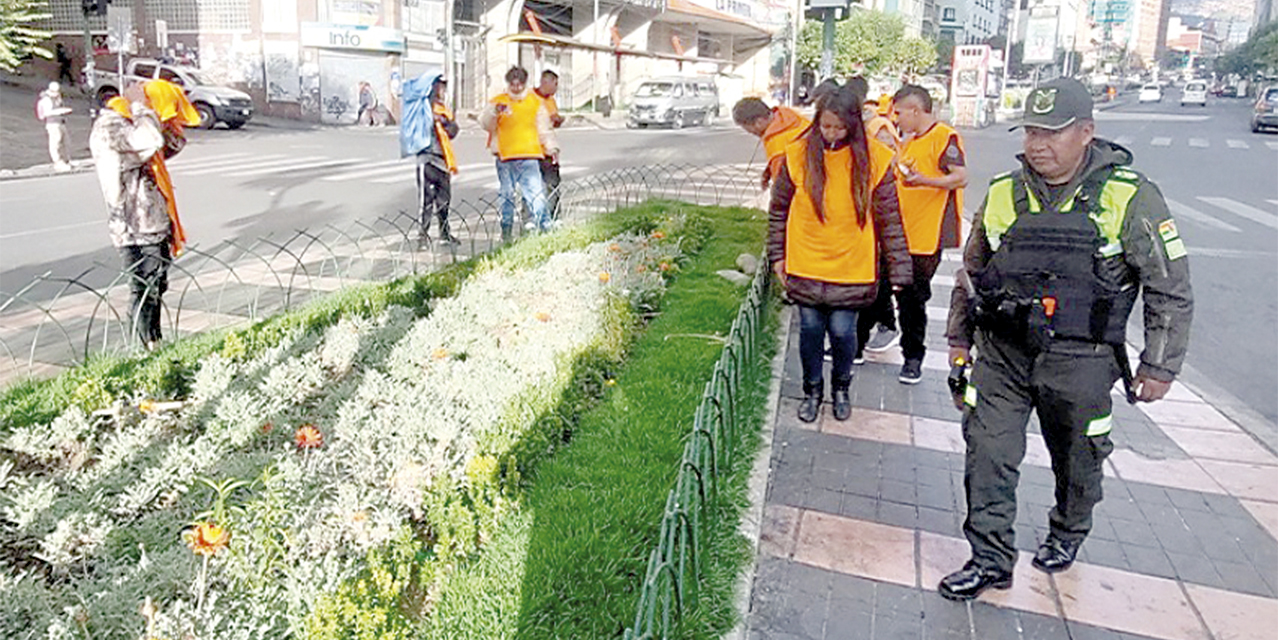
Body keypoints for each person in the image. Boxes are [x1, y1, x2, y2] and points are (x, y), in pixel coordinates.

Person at [937, 78, 1193, 601]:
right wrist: (958, 339)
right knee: (986, 451)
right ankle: (989, 558)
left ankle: (1067, 531)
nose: (1038, 144)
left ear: (1086, 133)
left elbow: (1169, 284)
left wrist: (1159, 365)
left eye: (1052, 132)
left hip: (1082, 359)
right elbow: (973, 271)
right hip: (1003, 354)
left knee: (1079, 458)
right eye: (1032, 131)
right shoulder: (1005, 191)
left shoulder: (1131, 195)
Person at [767, 83, 913, 423]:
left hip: (852, 264)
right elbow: (778, 211)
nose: (831, 133)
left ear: (853, 125)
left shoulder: (875, 159)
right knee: (810, 329)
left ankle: (841, 389)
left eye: (839, 127)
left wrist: (901, 271)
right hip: (805, 259)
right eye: (825, 126)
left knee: (844, 331)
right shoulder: (797, 154)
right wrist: (778, 256)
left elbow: (890, 219)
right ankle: (812, 391)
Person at [90, 81, 198, 351]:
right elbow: (149, 141)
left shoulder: (130, 124)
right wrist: (141, 106)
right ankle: (141, 347)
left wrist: (166, 118)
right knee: (143, 288)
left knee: (157, 285)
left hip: (151, 221)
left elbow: (168, 145)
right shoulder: (110, 128)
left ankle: (154, 341)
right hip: (135, 225)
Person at [884, 84, 968, 384]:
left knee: (912, 298)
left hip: (926, 236)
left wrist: (925, 181)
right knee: (880, 287)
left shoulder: (944, 137)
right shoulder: (909, 141)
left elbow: (960, 177)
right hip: (900, 232)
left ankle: (913, 357)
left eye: (899, 113)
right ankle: (867, 338)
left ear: (915, 110)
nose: (897, 119)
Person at [480, 66, 559, 242]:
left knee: (535, 192)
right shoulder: (499, 101)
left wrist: (552, 148)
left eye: (519, 84)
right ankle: (506, 230)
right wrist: (494, 111)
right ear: (508, 83)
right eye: (513, 84)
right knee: (507, 194)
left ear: (524, 83)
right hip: (505, 156)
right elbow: (486, 124)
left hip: (529, 155)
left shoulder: (534, 102)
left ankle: (544, 226)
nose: (516, 88)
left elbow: (544, 128)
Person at [400, 73, 460, 247]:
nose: (442, 90)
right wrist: (431, 120)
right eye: (439, 87)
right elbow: (417, 127)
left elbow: (453, 130)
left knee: (444, 199)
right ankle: (422, 236)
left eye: (443, 87)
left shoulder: (443, 109)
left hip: (443, 160)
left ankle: (444, 233)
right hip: (426, 159)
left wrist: (445, 123)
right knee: (426, 201)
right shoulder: (422, 108)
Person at [731, 97, 810, 189]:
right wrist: (770, 169)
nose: (751, 133)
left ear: (759, 122)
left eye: (748, 129)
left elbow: (783, 189)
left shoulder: (777, 148)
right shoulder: (789, 115)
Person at [534, 70, 566, 220]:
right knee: (533, 188)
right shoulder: (531, 99)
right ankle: (532, 221)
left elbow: (552, 121)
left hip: (549, 152)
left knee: (553, 186)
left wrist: (558, 119)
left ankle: (552, 218)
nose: (556, 88)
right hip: (534, 151)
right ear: (546, 82)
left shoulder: (551, 100)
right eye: (555, 84)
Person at [36, 82, 72, 171]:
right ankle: (58, 162)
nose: (58, 93)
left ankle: (66, 160)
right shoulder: (47, 99)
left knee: (66, 142)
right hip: (53, 124)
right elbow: (47, 113)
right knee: (56, 144)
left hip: (61, 122)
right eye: (56, 91)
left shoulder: (57, 98)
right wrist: (61, 111)